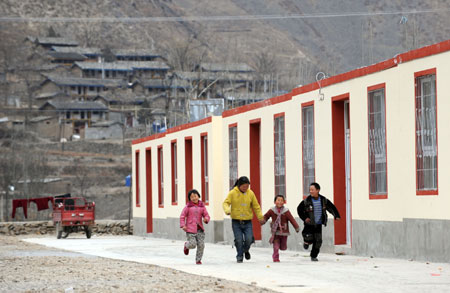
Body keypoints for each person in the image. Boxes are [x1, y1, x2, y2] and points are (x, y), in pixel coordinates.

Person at [223, 176, 264, 263]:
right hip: (236, 221)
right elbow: (226, 203)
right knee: (239, 239)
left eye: (247, 186)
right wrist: (227, 210)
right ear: (239, 185)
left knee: (249, 239)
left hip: (247, 221)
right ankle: (239, 255)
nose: (246, 188)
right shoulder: (232, 193)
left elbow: (256, 206)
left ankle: (245, 250)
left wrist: (260, 217)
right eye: (244, 186)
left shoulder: (251, 193)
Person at [297, 182, 340, 262]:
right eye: (310, 190)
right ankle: (306, 242)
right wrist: (305, 218)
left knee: (318, 241)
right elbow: (299, 209)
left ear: (318, 190)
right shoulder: (307, 201)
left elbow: (331, 207)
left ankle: (314, 255)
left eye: (312, 190)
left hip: (318, 224)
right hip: (309, 223)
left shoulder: (324, 200)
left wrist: (336, 215)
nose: (311, 191)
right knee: (308, 236)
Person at [262, 194, 300, 262]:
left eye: (281, 200)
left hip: (284, 231)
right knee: (276, 246)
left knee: (283, 247)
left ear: (284, 202)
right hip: (275, 231)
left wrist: (296, 227)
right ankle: (275, 257)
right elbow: (266, 216)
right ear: (275, 202)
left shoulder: (286, 211)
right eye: (278, 200)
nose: (280, 202)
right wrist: (263, 221)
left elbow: (292, 219)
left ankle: (281, 248)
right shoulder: (272, 210)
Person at [180, 189, 210, 264]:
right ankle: (186, 246)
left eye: (195, 196)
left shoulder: (202, 206)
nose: (194, 198)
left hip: (200, 229)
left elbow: (206, 215)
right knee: (192, 244)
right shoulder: (188, 207)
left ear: (198, 196)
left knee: (201, 245)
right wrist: (183, 225)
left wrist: (206, 219)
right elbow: (182, 216)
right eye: (192, 197)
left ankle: (198, 260)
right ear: (189, 198)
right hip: (190, 229)